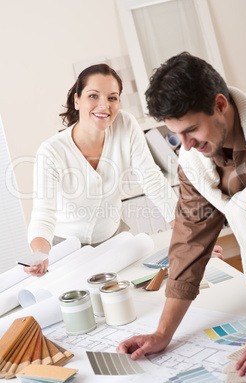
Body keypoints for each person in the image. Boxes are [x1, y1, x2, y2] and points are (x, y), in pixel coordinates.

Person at [117, 52, 246, 377]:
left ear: (220, 105)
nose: (185, 146)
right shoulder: (195, 162)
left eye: (191, 130)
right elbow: (188, 244)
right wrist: (162, 334)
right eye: (176, 135)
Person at [25, 63, 178, 277]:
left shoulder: (126, 125)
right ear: (77, 100)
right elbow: (43, 215)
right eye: (93, 96)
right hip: (64, 247)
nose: (104, 105)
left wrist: (188, 236)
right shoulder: (51, 151)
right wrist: (40, 256)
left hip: (114, 239)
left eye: (112, 97)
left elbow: (152, 180)